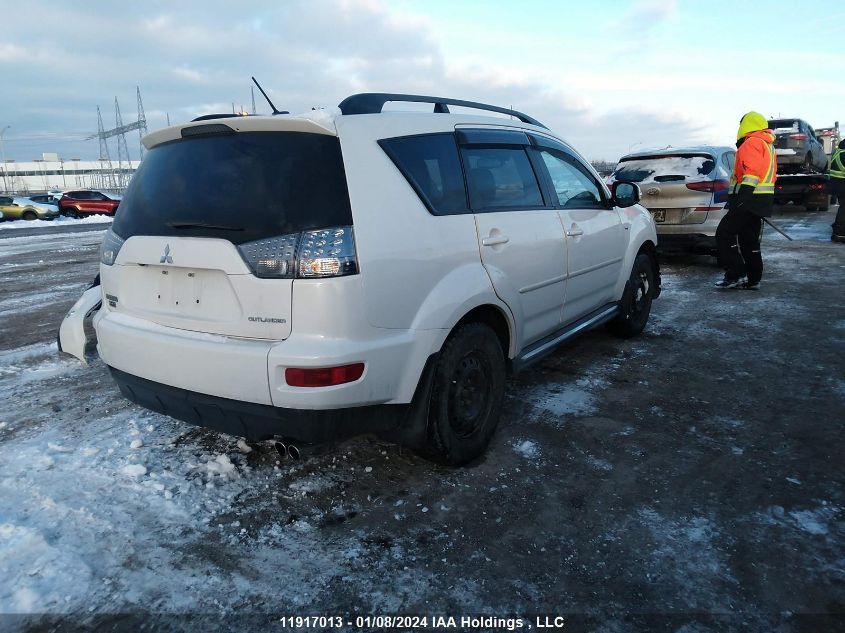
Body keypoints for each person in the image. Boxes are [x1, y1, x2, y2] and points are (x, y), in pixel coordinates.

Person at [714, 111, 777, 290]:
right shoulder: (767, 144)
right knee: (749, 240)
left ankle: (736, 275)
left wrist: (742, 199)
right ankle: (753, 279)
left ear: (746, 125)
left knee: (724, 234)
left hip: (749, 199)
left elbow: (752, 174)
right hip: (760, 201)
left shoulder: (751, 143)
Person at [830, 139, 845, 243]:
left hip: (837, 184)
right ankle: (840, 233)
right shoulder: (843, 154)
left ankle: (838, 232)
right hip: (842, 184)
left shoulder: (837, 152)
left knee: (843, 207)